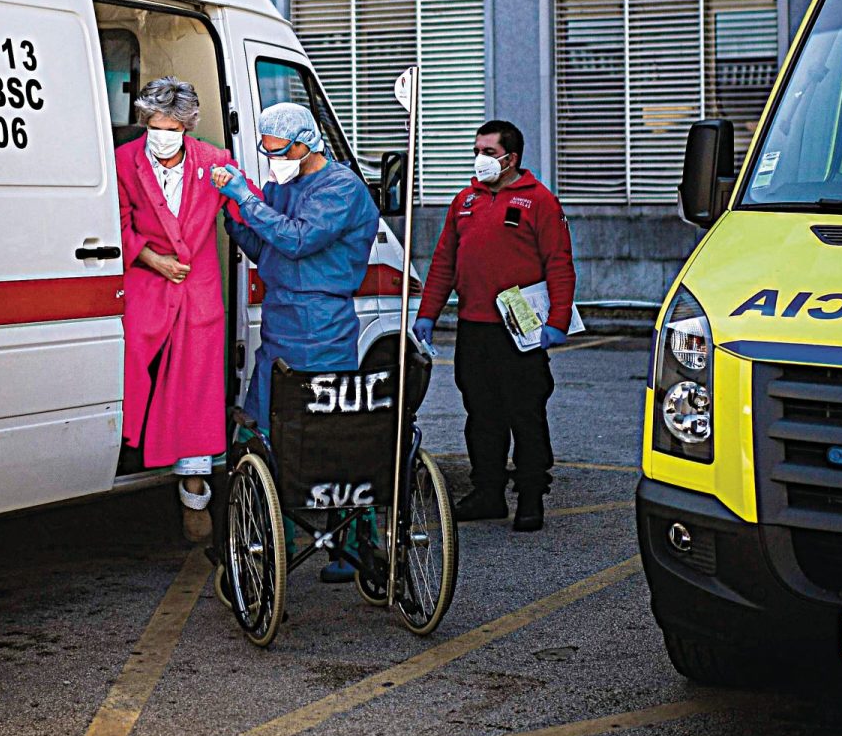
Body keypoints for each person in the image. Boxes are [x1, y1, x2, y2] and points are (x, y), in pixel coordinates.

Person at [213, 101, 379, 580]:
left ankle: (351, 543)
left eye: (279, 152)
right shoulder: (285, 184)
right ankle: (275, 538)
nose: (273, 162)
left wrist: (246, 200)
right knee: (263, 432)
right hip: (280, 324)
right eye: (266, 153)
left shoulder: (341, 188)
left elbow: (298, 239)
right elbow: (265, 247)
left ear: (306, 144)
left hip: (322, 325)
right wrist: (235, 216)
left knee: (327, 437)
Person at [412, 119, 576, 531]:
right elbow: (444, 262)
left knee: (525, 412)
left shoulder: (539, 201)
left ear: (511, 158)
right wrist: (428, 314)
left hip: (520, 331)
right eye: (477, 150)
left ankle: (531, 495)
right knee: (481, 413)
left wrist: (556, 321)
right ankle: (487, 491)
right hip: (475, 327)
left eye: (488, 151)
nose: (480, 158)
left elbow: (560, 264)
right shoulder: (465, 200)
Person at [117, 77, 240, 544]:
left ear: (188, 127)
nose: (162, 135)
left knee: (195, 392)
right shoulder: (124, 161)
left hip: (199, 292)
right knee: (137, 375)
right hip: (148, 286)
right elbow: (119, 222)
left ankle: (195, 496)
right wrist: (153, 258)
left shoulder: (215, 163)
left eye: (171, 127)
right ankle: (132, 453)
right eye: (154, 126)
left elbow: (247, 211)